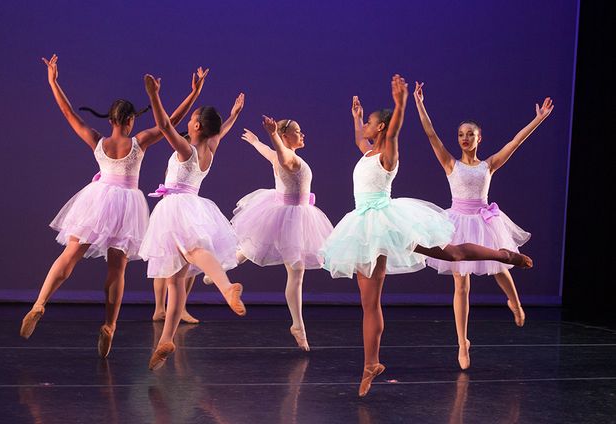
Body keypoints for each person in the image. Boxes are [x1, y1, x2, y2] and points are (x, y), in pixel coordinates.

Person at [320, 75, 533, 397]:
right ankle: (371, 364)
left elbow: (392, 133)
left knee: (453, 254)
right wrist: (357, 118)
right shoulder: (366, 152)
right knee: (369, 302)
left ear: (381, 129)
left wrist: (401, 103)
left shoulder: (388, 154)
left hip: (389, 222)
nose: (365, 129)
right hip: (363, 226)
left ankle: (504, 255)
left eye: (370, 124)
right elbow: (359, 141)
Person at [20, 55, 205, 359]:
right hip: (127, 206)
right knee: (116, 269)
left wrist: (53, 81)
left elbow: (70, 115)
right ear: (131, 121)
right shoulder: (140, 142)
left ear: (111, 121)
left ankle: (40, 303)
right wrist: (195, 93)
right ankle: (110, 325)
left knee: (70, 254)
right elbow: (170, 122)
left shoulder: (98, 141)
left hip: (97, 199)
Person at [413, 81, 553, 369]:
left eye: (470, 135)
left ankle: (514, 302)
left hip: (485, 220)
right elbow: (430, 134)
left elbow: (515, 142)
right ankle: (462, 343)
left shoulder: (488, 164)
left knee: (501, 264)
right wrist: (420, 104)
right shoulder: (451, 164)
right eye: (461, 135)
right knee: (461, 284)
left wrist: (537, 120)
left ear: (479, 138)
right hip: (457, 222)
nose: (464, 138)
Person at [140, 74, 246, 370]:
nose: (188, 122)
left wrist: (153, 95)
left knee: (194, 251)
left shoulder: (185, 150)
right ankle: (165, 340)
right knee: (176, 280)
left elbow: (164, 126)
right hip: (193, 204)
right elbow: (220, 132)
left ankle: (226, 288)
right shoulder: (209, 150)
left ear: (197, 125)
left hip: (176, 207)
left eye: (193, 119)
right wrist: (234, 115)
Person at [208, 117, 333, 351]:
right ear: (286, 137)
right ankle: (298, 326)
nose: (302, 134)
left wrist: (256, 141)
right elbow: (281, 155)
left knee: (252, 249)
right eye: (297, 131)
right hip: (291, 217)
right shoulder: (289, 158)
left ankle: (218, 269)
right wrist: (273, 135)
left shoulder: (281, 156)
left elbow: (268, 152)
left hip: (287, 213)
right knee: (295, 272)